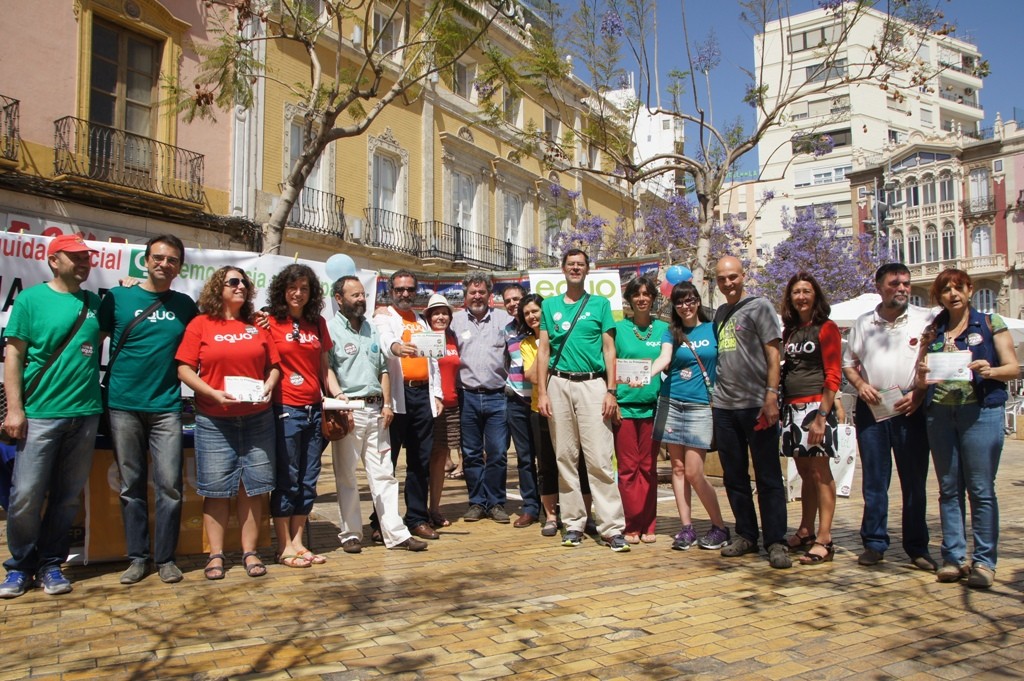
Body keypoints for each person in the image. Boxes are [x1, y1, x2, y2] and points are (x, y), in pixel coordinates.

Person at [0, 234, 102, 598]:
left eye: (86, 258)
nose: (83, 263)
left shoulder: (94, 303)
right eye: (75, 257)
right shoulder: (30, 299)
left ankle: (50, 565)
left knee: (67, 496)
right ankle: (20, 567)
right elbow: (13, 356)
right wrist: (15, 409)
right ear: (53, 260)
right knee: (26, 493)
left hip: (86, 414)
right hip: (40, 414)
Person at [99, 234, 198, 585]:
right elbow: (94, 341)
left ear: (179, 266)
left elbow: (208, 340)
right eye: (158, 257)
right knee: (131, 486)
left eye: (172, 260)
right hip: (122, 404)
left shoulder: (185, 306)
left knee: (170, 486)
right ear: (145, 260)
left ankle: (166, 559)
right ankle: (137, 558)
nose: (164, 264)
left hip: (166, 407)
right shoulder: (117, 297)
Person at [176, 267, 280, 579]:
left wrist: (268, 386)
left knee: (253, 488)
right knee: (217, 490)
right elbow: (183, 369)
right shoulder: (200, 325)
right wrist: (211, 394)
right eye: (233, 282)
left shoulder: (258, 326)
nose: (240, 287)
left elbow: (274, 366)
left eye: (244, 282)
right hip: (214, 419)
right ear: (217, 288)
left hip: (257, 419)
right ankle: (216, 555)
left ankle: (250, 552)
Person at [915, 269, 1015, 588]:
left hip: (981, 411)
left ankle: (984, 562)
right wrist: (921, 372)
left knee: (981, 489)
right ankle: (953, 557)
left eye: (958, 288)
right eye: (946, 290)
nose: (953, 294)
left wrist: (991, 369)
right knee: (948, 489)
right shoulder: (933, 329)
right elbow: (921, 378)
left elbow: (1013, 368)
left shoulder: (990, 323)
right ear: (939, 296)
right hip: (941, 413)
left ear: (969, 290)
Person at [843, 262, 936, 571]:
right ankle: (874, 543)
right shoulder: (863, 323)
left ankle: (917, 547)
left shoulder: (925, 320)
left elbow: (936, 360)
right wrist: (860, 385)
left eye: (906, 284)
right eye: (895, 283)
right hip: (873, 410)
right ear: (879, 286)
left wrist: (920, 393)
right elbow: (848, 362)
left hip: (910, 408)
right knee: (874, 482)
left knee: (914, 483)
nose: (902, 288)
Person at [536, 249, 630, 552]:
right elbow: (544, 351)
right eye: (570, 264)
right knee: (564, 457)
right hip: (559, 383)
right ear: (563, 269)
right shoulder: (549, 306)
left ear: (588, 270)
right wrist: (542, 391)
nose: (575, 268)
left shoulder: (601, 305)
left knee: (600, 458)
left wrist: (611, 390)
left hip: (593, 384)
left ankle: (612, 527)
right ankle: (573, 523)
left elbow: (609, 350)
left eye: (580, 265)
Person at [329, 276, 427, 552]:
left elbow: (383, 368)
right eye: (354, 295)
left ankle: (395, 534)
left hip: (376, 410)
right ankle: (351, 534)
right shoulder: (331, 329)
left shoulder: (372, 328)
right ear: (339, 299)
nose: (361, 299)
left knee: (384, 474)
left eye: (362, 294)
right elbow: (327, 368)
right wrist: (339, 399)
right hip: (348, 409)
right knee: (347, 475)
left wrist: (387, 404)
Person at [712, 255, 790, 569]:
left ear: (743, 276)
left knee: (769, 476)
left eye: (733, 277)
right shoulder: (719, 313)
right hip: (724, 407)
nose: (728, 283)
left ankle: (776, 541)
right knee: (734, 476)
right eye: (722, 278)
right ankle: (746, 534)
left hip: (757, 404)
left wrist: (771, 396)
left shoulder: (760, 307)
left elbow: (774, 353)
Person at [648, 281, 729, 552]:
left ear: (698, 301)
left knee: (695, 471)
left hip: (700, 406)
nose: (685, 306)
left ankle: (719, 526)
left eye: (690, 300)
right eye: (680, 302)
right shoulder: (672, 332)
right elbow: (664, 358)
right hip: (671, 402)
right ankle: (686, 528)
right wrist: (645, 374)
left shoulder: (712, 329)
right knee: (678, 469)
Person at [265, 264, 336, 567]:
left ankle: (297, 542)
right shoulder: (269, 322)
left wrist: (338, 394)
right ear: (283, 290)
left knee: (308, 480)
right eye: (293, 287)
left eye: (304, 288)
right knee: (287, 478)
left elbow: (324, 367)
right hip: (284, 410)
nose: (298, 293)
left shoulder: (317, 323)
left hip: (313, 409)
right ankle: (283, 546)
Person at [374, 270, 443, 541]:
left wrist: (435, 393)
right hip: (396, 398)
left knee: (420, 461)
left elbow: (433, 360)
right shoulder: (383, 316)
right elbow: (383, 340)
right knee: (387, 463)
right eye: (400, 289)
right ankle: (381, 522)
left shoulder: (421, 321)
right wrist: (395, 347)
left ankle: (415, 518)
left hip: (422, 396)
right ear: (391, 291)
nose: (405, 294)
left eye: (410, 289)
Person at [519, 293, 594, 538]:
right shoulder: (527, 344)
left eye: (535, 311)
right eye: (527, 313)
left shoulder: (565, 334)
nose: (531, 316)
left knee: (580, 462)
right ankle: (551, 517)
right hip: (540, 408)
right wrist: (546, 348)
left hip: (573, 404)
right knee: (548, 464)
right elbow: (530, 375)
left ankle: (586, 516)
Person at [779, 272, 842, 565]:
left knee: (820, 473)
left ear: (815, 295)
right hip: (792, 408)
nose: (801, 297)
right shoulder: (790, 331)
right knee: (804, 473)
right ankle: (805, 530)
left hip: (817, 409)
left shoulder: (826, 328)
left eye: (806, 291)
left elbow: (833, 374)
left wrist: (822, 416)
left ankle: (824, 538)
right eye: (796, 292)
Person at [450, 273, 514, 523]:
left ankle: (496, 503)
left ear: (490, 294)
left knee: (498, 453)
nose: (477, 296)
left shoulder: (505, 320)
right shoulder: (454, 322)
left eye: (481, 292)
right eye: (472, 292)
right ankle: (477, 502)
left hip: (498, 396)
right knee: (472, 453)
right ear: (465, 296)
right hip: (467, 398)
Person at [613, 276, 668, 544]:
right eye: (637, 294)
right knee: (627, 469)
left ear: (653, 298)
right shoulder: (617, 329)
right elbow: (608, 367)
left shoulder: (664, 330)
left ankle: (649, 523)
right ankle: (631, 524)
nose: (642, 298)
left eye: (647, 294)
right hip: (624, 409)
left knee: (648, 467)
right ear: (630, 299)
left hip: (654, 409)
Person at [502, 285, 542, 528]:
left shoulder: (542, 330)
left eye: (517, 299)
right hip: (516, 400)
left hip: (543, 399)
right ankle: (530, 507)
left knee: (549, 456)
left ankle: (554, 504)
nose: (512, 303)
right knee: (525, 458)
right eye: (508, 300)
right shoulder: (507, 330)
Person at [423, 293, 459, 529]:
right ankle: (419, 510)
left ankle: (434, 508)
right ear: (428, 316)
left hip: (452, 406)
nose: (440, 316)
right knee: (424, 459)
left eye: (444, 312)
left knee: (440, 460)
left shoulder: (453, 338)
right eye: (435, 312)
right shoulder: (424, 338)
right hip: (428, 406)